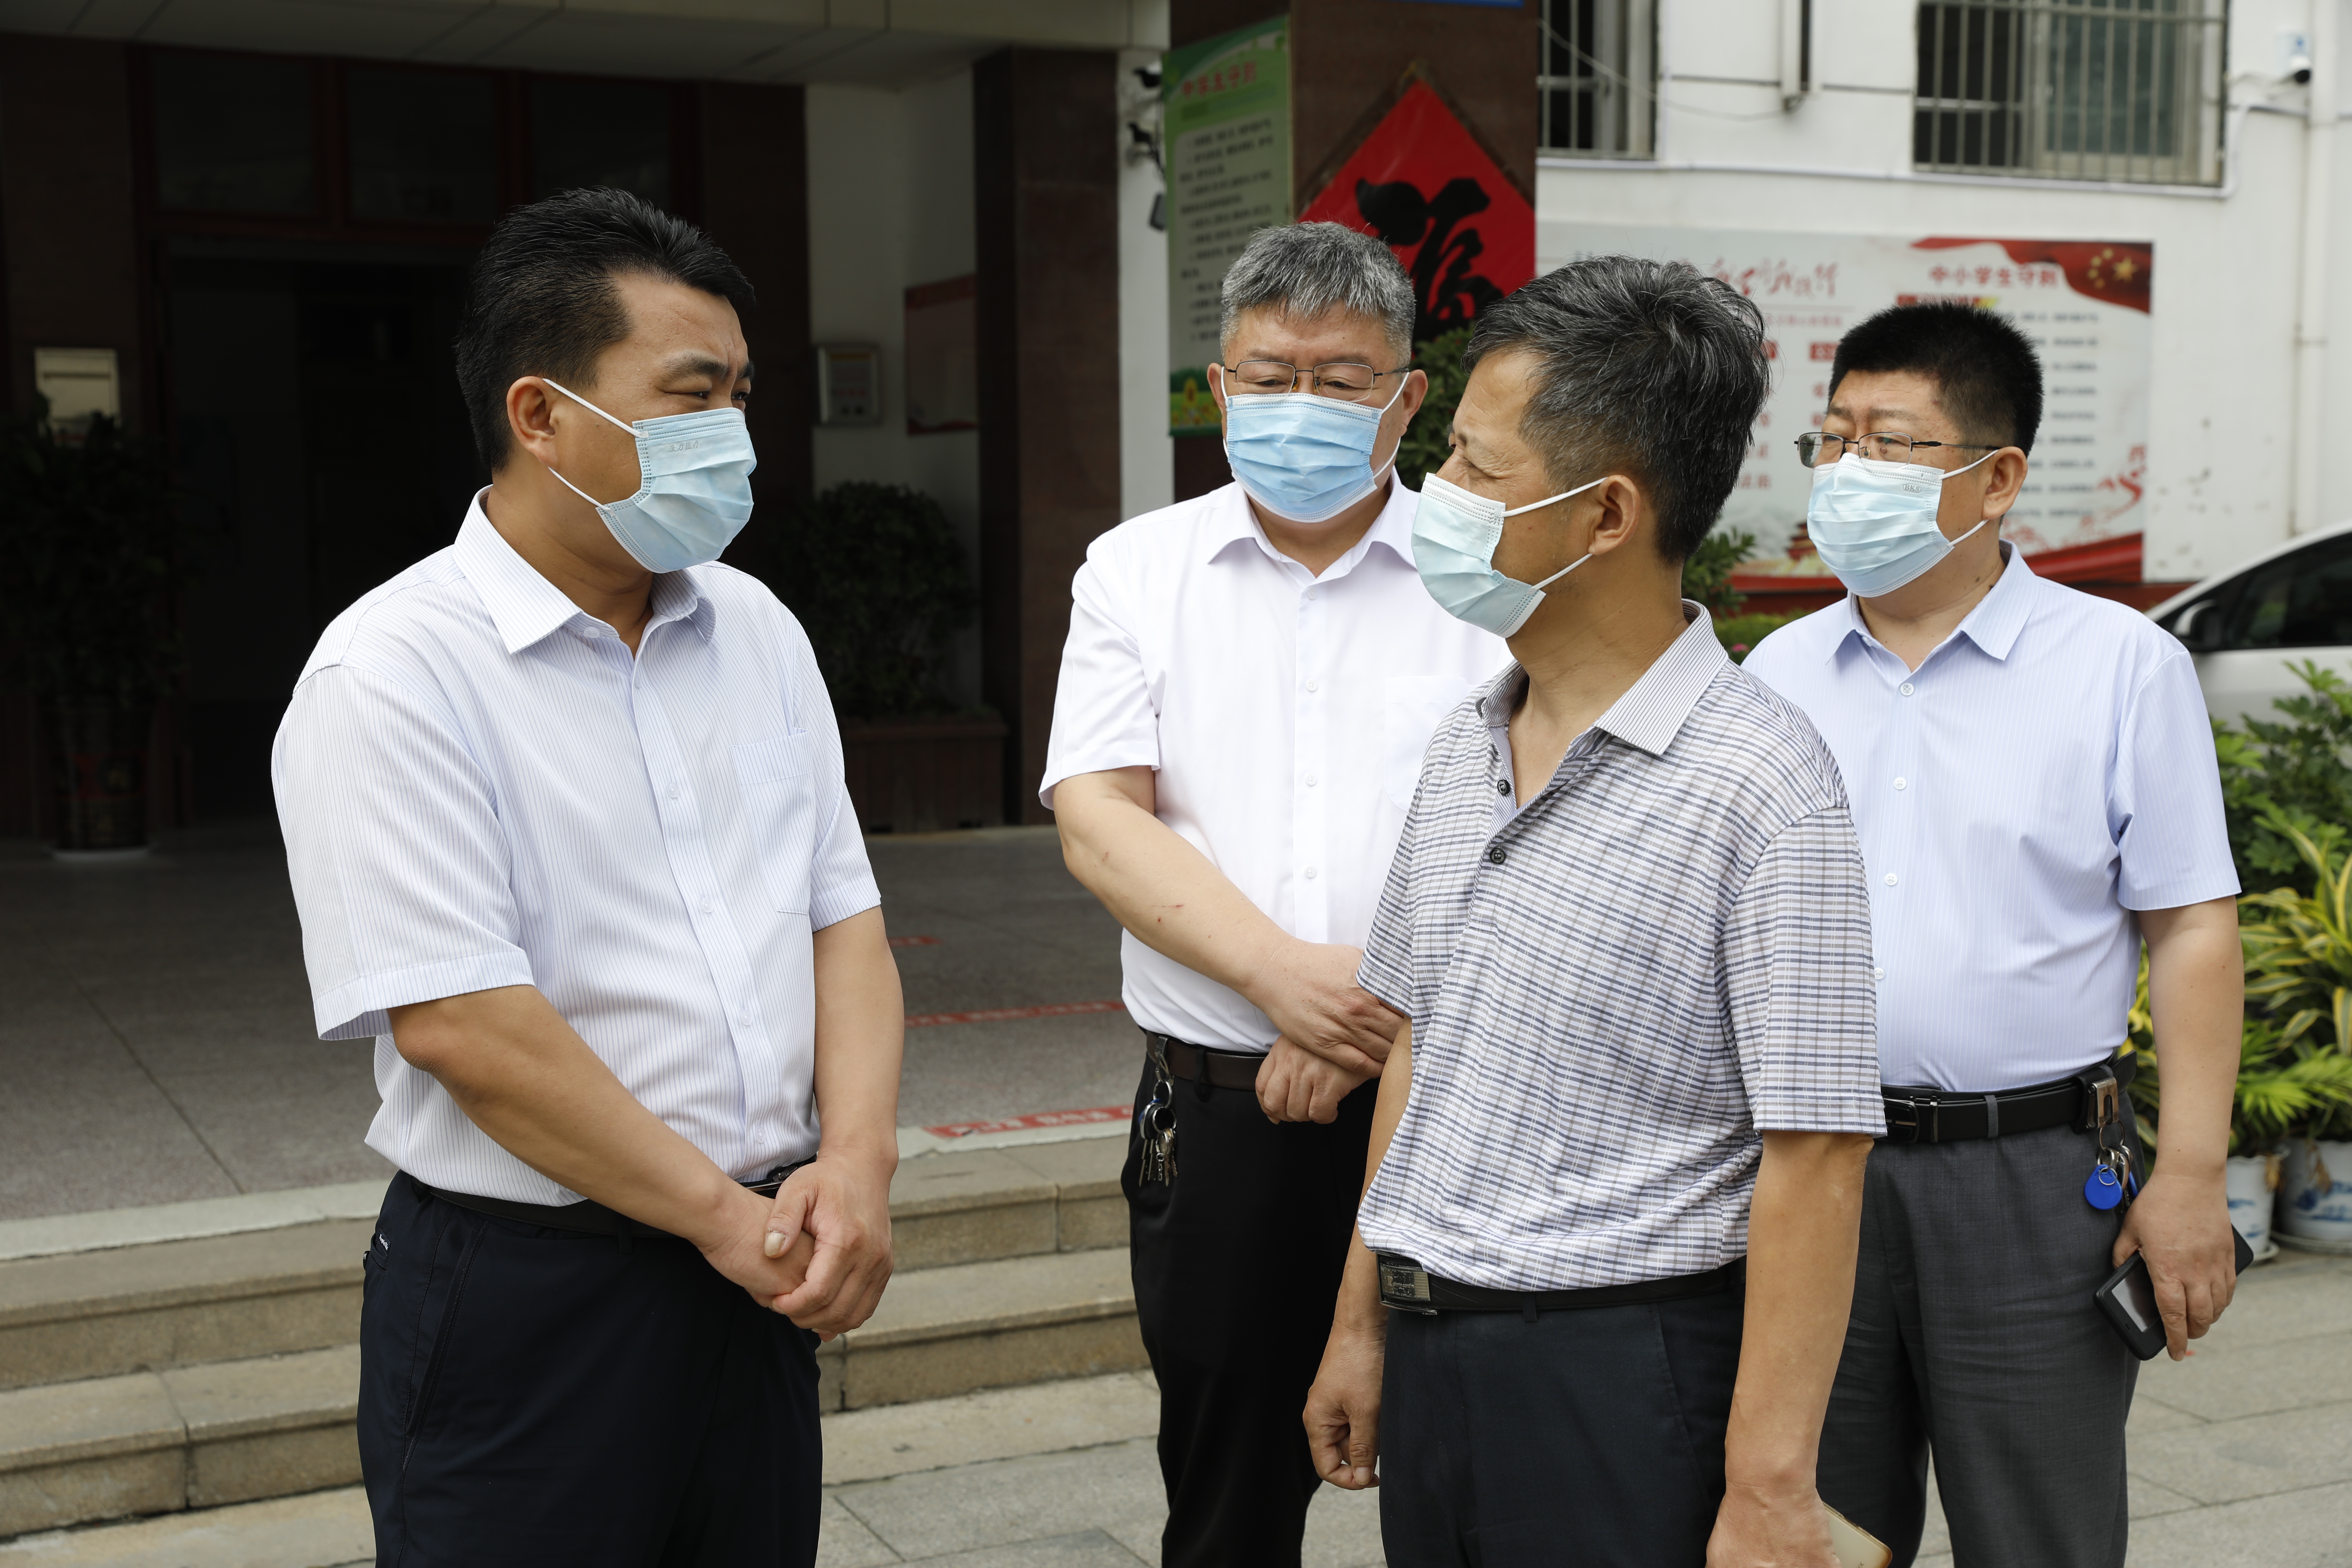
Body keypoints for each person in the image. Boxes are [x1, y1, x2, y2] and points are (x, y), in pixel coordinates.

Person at [271, 188, 904, 1567]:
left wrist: (854, 1166)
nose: (731, 435)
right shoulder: (393, 672)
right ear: (541, 415)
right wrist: (719, 1217)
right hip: (531, 1301)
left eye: (741, 394)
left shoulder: (756, 629)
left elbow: (841, 919)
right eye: (691, 396)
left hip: (761, 1275)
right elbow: (461, 1022)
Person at [1301, 256, 1889, 1568]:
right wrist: (1364, 1321)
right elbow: (1415, 1048)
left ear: (1604, 512)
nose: (1432, 500)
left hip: (1622, 1378)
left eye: (1474, 468)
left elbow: (1817, 1156)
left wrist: (1771, 1487)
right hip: (1438, 1344)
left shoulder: (1763, 785)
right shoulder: (1470, 741)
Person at [1741, 302, 2242, 1568]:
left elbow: (2189, 924)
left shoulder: (2121, 666)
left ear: (1998, 477)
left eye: (1893, 444)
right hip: (1812, 1164)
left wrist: (2186, 1175)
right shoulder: (1774, 676)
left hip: (2029, 1181)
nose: (1849, 473)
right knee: (1812, 1522)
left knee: (2042, 1535)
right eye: (1835, 438)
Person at [1044, 222, 1507, 1567]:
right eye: (1270, 371)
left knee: (1466, 1480)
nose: (1301, 402)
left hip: (1459, 1105)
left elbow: (1534, 833)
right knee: (1228, 1496)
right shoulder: (1138, 568)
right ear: (1221, 385)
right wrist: (1285, 984)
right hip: (1226, 1109)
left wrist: (1367, 1009)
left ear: (1411, 396)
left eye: (1344, 377)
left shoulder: (1486, 580)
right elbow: (1097, 816)